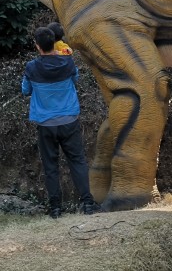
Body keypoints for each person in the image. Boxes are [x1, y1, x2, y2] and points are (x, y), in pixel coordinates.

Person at [21, 26, 101, 218]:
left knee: (50, 165)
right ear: (55, 42)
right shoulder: (68, 63)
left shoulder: (32, 67)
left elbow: (25, 90)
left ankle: (56, 208)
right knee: (77, 161)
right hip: (69, 121)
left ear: (37, 46)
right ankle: (87, 204)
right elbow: (75, 80)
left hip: (46, 124)